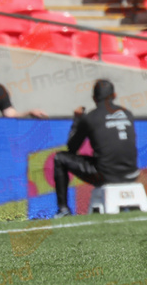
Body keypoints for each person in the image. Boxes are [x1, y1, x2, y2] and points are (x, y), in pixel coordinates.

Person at [53, 80, 139, 218]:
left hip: (106, 175)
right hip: (132, 173)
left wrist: (77, 120)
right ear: (114, 95)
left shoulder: (91, 117)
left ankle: (63, 210)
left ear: (94, 98)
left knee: (60, 158)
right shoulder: (128, 113)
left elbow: (72, 148)